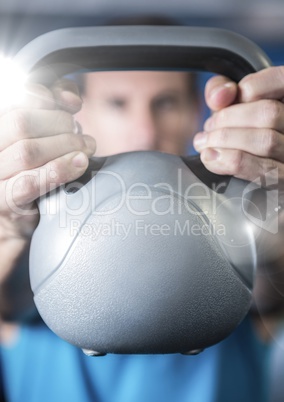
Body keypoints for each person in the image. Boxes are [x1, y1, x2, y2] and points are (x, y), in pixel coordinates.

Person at [0, 28, 284, 402]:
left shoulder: (236, 217)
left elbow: (270, 298)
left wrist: (271, 220)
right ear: (77, 113)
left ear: (195, 112)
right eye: (118, 103)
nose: (145, 131)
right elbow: (10, 300)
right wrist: (11, 229)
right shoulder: (35, 222)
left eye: (165, 103)